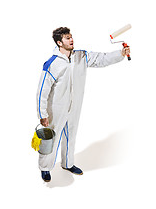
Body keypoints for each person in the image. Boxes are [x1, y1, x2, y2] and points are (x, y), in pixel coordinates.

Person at [36, 27, 130, 182]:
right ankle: (45, 168)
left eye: (71, 37)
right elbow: (42, 92)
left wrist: (120, 53)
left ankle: (68, 163)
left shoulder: (81, 56)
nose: (71, 39)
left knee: (71, 135)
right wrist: (43, 115)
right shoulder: (52, 64)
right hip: (56, 109)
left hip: (75, 105)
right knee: (51, 139)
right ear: (59, 42)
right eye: (67, 38)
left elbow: (101, 59)